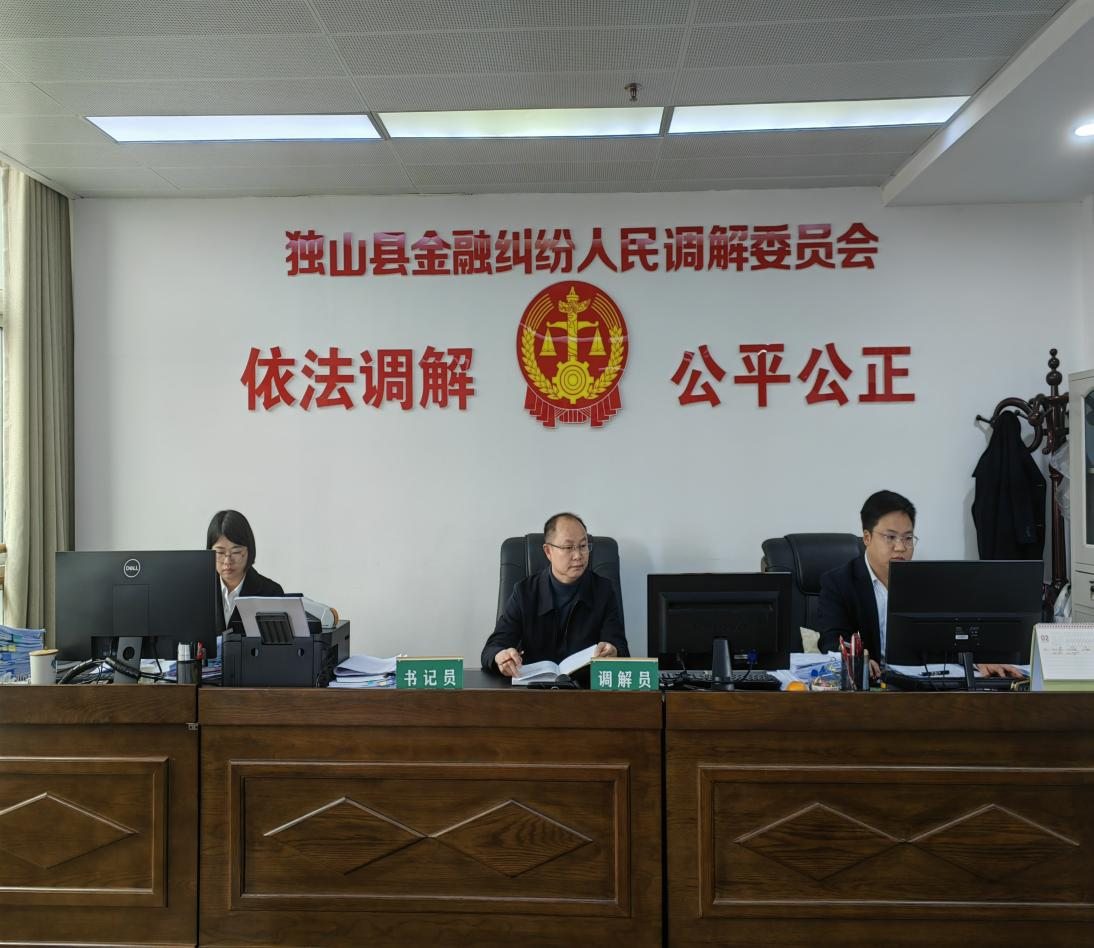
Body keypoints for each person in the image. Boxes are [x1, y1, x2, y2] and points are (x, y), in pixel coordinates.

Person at [817, 490, 1021, 679]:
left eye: (907, 538)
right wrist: (856, 661)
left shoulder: (929, 584)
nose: (900, 547)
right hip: (867, 688)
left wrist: (978, 659)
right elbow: (831, 641)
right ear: (867, 537)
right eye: (890, 537)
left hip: (917, 687)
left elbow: (953, 638)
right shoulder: (838, 583)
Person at [482, 512, 629, 677]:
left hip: (585, 687)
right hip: (534, 687)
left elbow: (620, 647)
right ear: (548, 551)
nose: (578, 556)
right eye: (568, 547)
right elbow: (493, 648)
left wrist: (613, 651)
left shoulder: (604, 590)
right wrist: (501, 656)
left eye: (583, 546)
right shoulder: (525, 593)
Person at [206, 509, 284, 630]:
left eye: (236, 552)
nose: (227, 561)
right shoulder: (199, 590)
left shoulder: (271, 593)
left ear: (249, 551)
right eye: (220, 552)